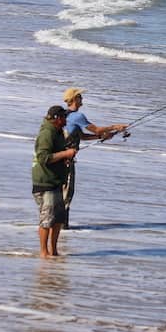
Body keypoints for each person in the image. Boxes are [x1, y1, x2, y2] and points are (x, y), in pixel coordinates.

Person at [61, 87, 128, 222]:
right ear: (74, 99)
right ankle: (62, 225)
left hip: (60, 157)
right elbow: (96, 129)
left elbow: (82, 137)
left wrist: (101, 137)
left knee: (61, 192)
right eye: (80, 96)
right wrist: (115, 126)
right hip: (67, 160)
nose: (82, 98)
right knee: (67, 193)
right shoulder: (77, 116)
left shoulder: (65, 116)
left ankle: (60, 224)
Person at [32, 105, 77, 257]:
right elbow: (43, 158)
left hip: (56, 181)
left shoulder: (58, 132)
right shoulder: (46, 133)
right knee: (47, 219)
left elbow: (55, 155)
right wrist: (65, 153)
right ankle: (44, 252)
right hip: (45, 183)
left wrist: (65, 158)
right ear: (57, 119)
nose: (66, 120)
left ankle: (54, 251)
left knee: (58, 219)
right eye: (64, 117)